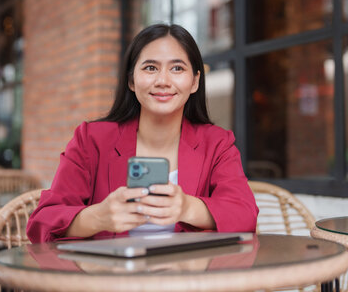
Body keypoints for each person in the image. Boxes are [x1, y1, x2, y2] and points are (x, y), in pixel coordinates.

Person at [27, 24, 258, 242]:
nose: (163, 81)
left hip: (188, 279)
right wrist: (99, 217)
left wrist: (187, 207)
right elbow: (41, 223)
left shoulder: (217, 143)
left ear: (195, 81)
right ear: (131, 81)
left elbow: (245, 214)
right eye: (150, 68)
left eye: (177, 68)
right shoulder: (91, 139)